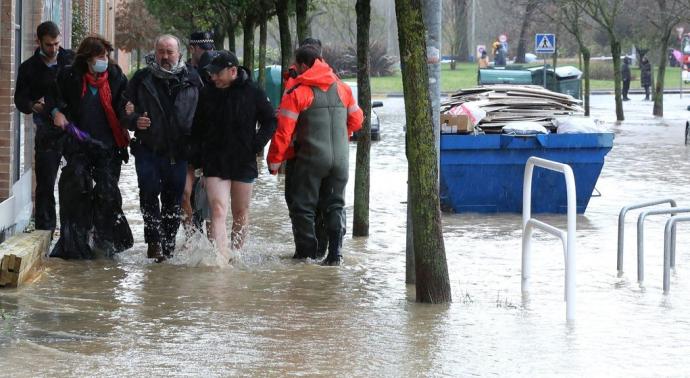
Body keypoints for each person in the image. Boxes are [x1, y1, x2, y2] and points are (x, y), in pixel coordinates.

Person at [267, 45, 363, 265]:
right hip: (340, 159)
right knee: (335, 204)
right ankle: (335, 254)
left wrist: (274, 161)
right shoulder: (342, 88)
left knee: (303, 207)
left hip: (309, 159)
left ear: (302, 65)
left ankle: (306, 258)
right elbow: (358, 120)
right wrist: (342, 134)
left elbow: (283, 132)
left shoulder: (297, 92)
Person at [49, 35, 133, 258]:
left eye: (106, 56)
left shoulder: (115, 76)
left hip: (108, 146)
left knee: (107, 193)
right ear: (87, 58)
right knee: (76, 187)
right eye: (99, 56)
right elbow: (53, 99)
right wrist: (56, 113)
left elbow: (124, 102)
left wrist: (128, 109)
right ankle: (76, 242)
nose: (104, 60)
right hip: (78, 144)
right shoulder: (69, 76)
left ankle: (105, 243)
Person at [123, 35, 202, 262]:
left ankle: (167, 246)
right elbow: (124, 110)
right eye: (161, 51)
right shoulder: (141, 78)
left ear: (179, 53)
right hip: (148, 149)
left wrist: (200, 150)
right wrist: (134, 120)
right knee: (148, 194)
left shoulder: (193, 79)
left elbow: (204, 116)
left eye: (169, 52)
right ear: (154, 53)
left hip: (179, 153)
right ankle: (153, 242)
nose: (165, 56)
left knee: (173, 201)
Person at [192, 51, 276, 261]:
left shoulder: (253, 91)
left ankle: (236, 254)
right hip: (214, 160)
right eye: (210, 74)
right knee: (218, 209)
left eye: (217, 74)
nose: (213, 78)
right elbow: (197, 128)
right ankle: (221, 259)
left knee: (240, 212)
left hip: (243, 159)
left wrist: (256, 144)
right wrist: (198, 161)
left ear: (233, 71)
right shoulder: (206, 93)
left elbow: (270, 121)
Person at [14, 21, 74, 232]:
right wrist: (32, 105)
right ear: (38, 42)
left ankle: (74, 233)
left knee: (76, 182)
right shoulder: (29, 68)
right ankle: (45, 233)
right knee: (45, 184)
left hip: (72, 129)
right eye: (49, 45)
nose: (54, 49)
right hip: (47, 133)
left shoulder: (72, 60)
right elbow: (20, 99)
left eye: (57, 44)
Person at [281, 37, 331, 260]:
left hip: (302, 153)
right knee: (320, 203)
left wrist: (277, 158)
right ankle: (319, 251)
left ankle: (307, 252)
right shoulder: (331, 80)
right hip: (323, 153)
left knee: (301, 203)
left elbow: (285, 125)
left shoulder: (295, 83)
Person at [183, 31, 216, 236]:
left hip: (211, 142)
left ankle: (213, 246)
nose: (207, 53)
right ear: (193, 49)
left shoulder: (216, 70)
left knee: (212, 199)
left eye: (209, 49)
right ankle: (191, 239)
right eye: (203, 49)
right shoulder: (183, 72)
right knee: (185, 194)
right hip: (188, 141)